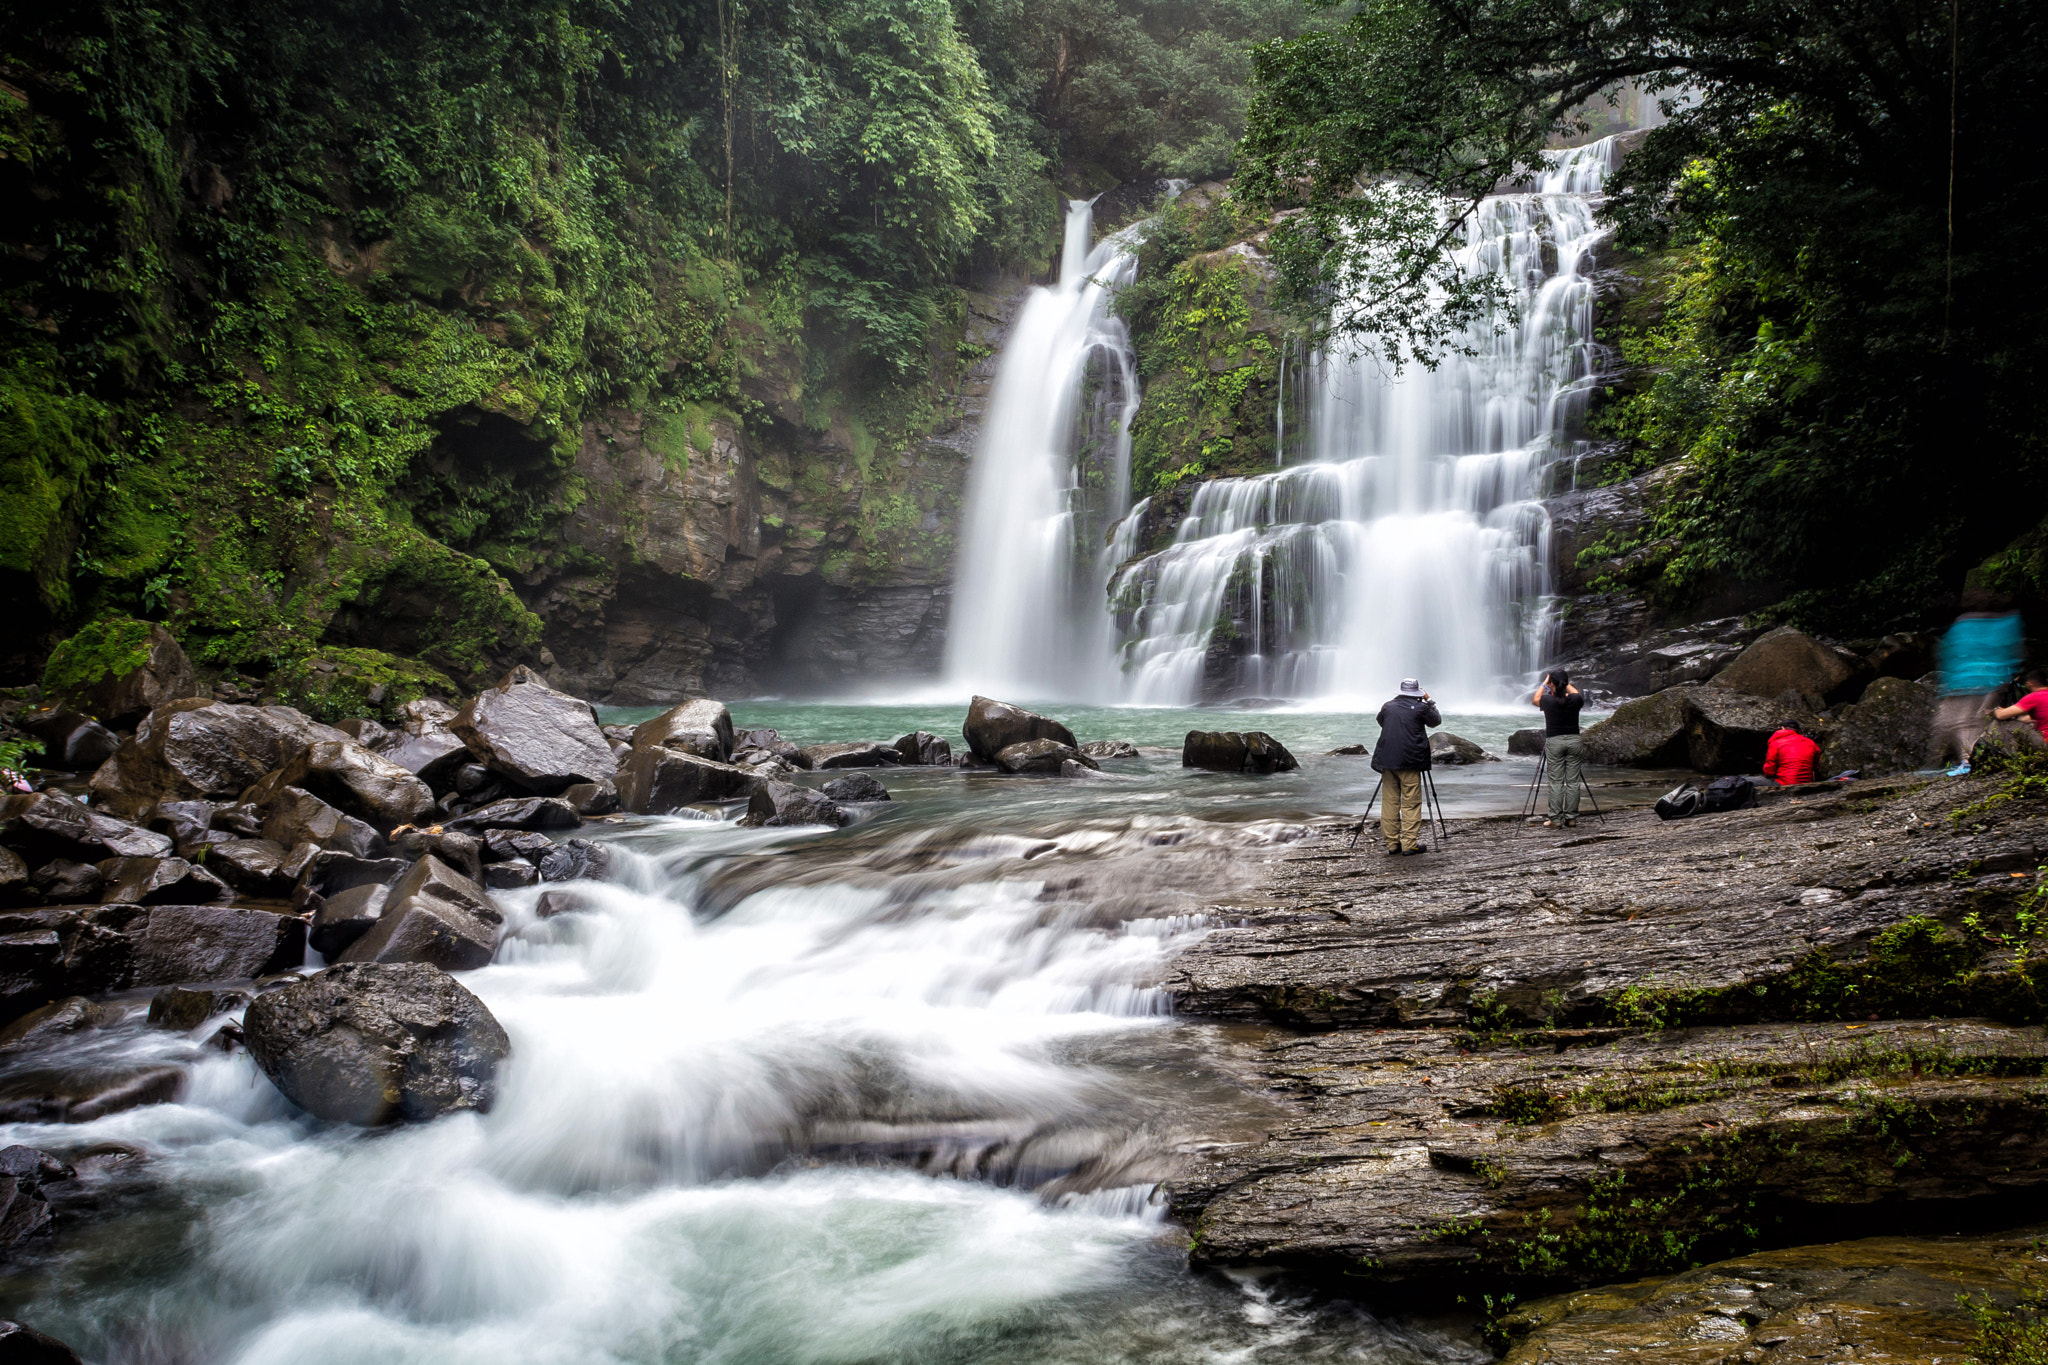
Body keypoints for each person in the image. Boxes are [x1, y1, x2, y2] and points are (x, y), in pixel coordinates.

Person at [1934, 590, 2023, 774]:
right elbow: (2012, 652)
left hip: (1973, 681)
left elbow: (1949, 653)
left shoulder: (1964, 624)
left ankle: (1970, 761)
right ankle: (1972, 759)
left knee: (1965, 722)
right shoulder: (2005, 621)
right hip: (1976, 681)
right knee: (1960, 722)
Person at [1371, 678, 1440, 855]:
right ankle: (1409, 844)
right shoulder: (1422, 707)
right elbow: (1435, 721)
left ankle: (1392, 844)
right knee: (1411, 803)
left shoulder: (1387, 706)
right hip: (1410, 761)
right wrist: (1429, 700)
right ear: (1417, 693)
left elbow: (1381, 721)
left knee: (1390, 802)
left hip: (1387, 759)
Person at [1531, 669, 1584, 827]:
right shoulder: (1575, 700)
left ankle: (1555, 819)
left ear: (1551, 684)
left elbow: (1535, 699)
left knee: (1556, 782)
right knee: (1573, 782)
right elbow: (1578, 694)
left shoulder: (1547, 701)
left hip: (1555, 742)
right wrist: (1565, 683)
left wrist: (1544, 684)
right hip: (1574, 741)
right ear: (1566, 683)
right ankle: (1571, 817)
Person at [1991, 671, 2048, 742]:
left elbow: (2001, 715)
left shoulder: (2035, 696)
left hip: (2045, 741)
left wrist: (1996, 709)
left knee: (2007, 727)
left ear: (2030, 683)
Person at [1762, 718, 1821, 785]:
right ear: (1798, 730)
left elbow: (1770, 769)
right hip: (1806, 782)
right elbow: (1816, 767)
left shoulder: (1776, 743)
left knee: (1750, 782)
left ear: (1782, 728)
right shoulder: (1811, 743)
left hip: (1784, 782)